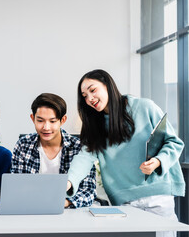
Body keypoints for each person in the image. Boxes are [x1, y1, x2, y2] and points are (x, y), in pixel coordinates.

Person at [67, 69, 185, 237]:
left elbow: (173, 142)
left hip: (157, 196)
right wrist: (70, 181)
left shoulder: (144, 107)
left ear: (107, 85)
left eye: (92, 90)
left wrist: (158, 161)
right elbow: (85, 157)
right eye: (84, 96)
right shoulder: (94, 126)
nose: (89, 99)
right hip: (125, 203)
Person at [11, 93, 97, 208]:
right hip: (31, 210)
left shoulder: (79, 148)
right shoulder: (23, 145)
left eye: (52, 121)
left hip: (67, 213)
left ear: (62, 120)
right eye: (40, 121)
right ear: (33, 119)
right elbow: (16, 187)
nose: (46, 127)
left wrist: (64, 203)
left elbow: (89, 191)